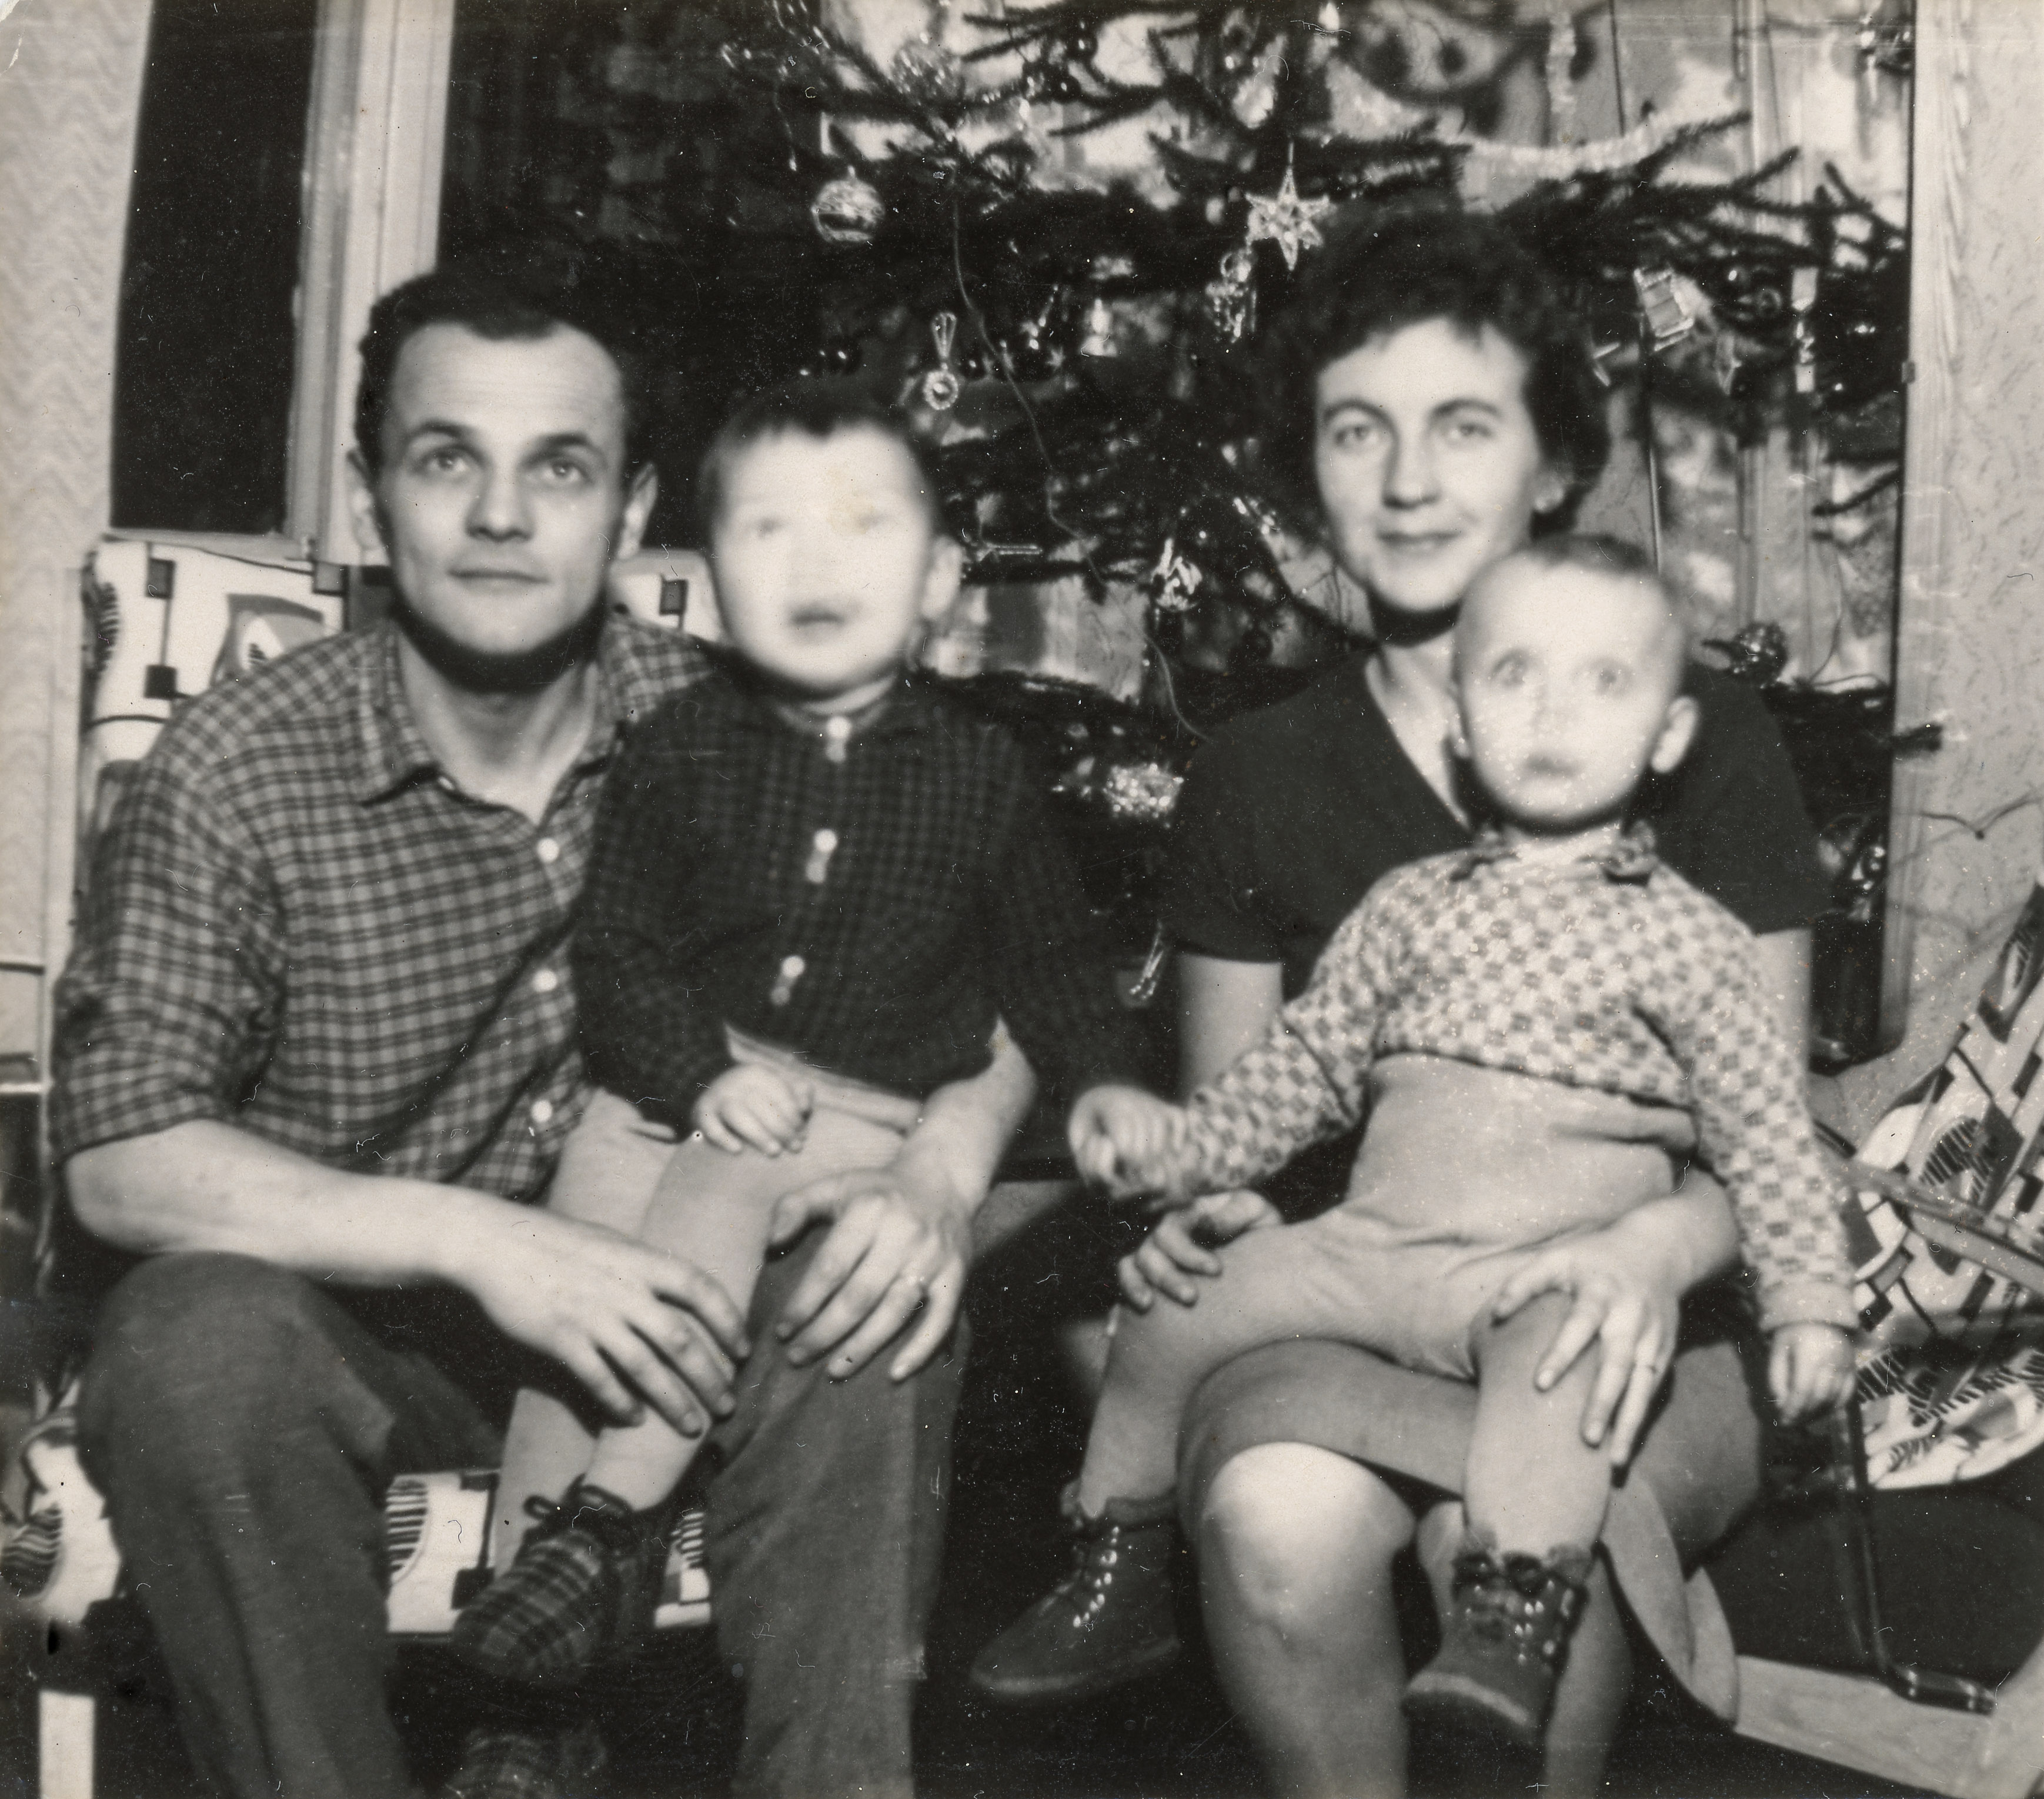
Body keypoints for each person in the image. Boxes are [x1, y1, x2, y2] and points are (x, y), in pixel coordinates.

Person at [50, 252, 1036, 1799]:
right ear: (372, 505)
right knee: (192, 1343)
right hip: (354, 1341)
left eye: (559, 468)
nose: (502, 516)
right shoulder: (236, 769)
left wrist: (940, 1173)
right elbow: (122, 1158)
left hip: (677, 1319)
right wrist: (483, 1242)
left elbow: (1001, 980)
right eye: (450, 460)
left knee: (867, 1304)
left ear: (629, 514)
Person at [1125, 206, 1829, 1799]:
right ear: (1307, 479)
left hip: (1643, 1311)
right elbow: (1240, 1131)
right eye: (1354, 432)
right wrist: (1199, 1215)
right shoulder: (1253, 772)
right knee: (1275, 1518)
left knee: (1492, 1536)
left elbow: (1768, 1145)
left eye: (1460, 426)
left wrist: (1650, 1250)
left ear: (1554, 463)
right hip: (1372, 1285)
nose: (1404, 479)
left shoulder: (1702, 736)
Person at [974, 537, 1858, 1748]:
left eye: (1604, 681)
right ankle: (1121, 1551)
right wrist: (1189, 1156)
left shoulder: (1693, 942)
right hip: (1376, 1248)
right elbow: (1302, 1068)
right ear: (1461, 727)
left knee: (1566, 1373)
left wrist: (1810, 1308)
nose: (1552, 712)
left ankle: (1513, 1608)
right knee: (1179, 1309)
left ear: (1665, 738)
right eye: (1514, 675)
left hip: (1544, 1269)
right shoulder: (1406, 907)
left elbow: (1768, 1136)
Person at [452, 381, 1141, 1686]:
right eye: (769, 530)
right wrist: (695, 1071)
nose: (816, 565)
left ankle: (611, 1524)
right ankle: (533, 1666)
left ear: (936, 581)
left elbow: (1051, 968)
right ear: (714, 587)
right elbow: (620, 949)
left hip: (858, 1109)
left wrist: (1106, 1082)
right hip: (678, 1084)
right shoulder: (679, 749)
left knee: (721, 1184)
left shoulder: (979, 777)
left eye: (862, 527)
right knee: (578, 1280)